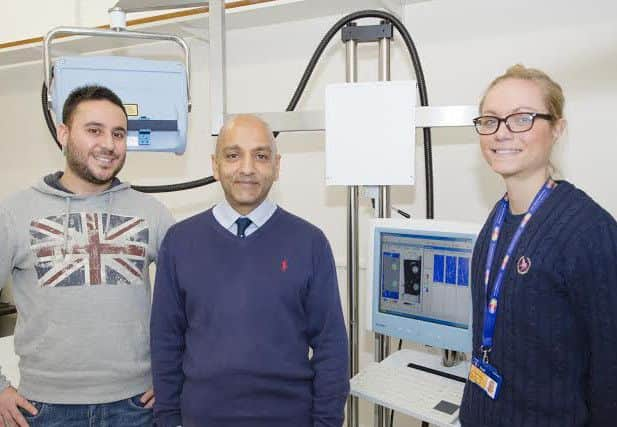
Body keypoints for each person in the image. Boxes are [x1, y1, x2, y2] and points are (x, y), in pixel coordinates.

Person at [150, 114, 349, 427]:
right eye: (233, 155)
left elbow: (331, 347)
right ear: (215, 166)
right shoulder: (180, 242)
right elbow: (165, 341)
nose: (247, 168)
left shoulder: (310, 243)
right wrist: (168, 419)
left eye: (260, 156)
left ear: (277, 166)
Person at [0, 85, 175, 427]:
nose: (108, 144)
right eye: (94, 130)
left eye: (118, 133)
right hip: (43, 410)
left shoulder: (152, 214)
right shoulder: (15, 213)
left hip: (136, 407)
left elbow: (195, 301)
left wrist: (174, 374)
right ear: (63, 134)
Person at [460, 65, 617, 426]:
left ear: (557, 128)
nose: (502, 133)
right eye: (491, 120)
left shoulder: (589, 232)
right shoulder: (497, 220)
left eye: (522, 119)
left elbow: (610, 373)